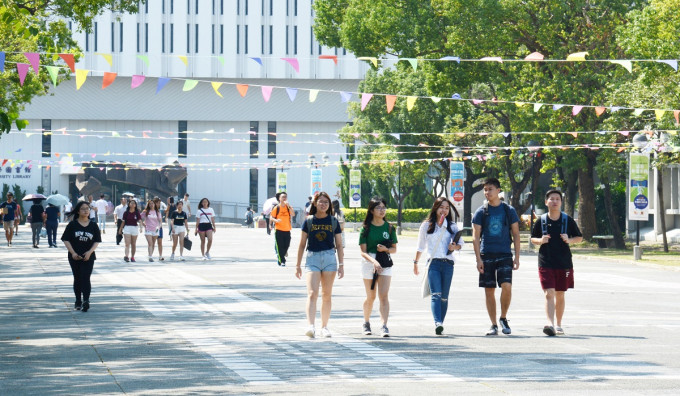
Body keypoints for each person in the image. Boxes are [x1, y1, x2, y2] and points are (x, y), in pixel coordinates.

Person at [472, 177, 521, 336]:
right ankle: (493, 324)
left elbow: (516, 233)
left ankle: (503, 317)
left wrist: (517, 257)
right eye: (485, 190)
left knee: (506, 286)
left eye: (490, 189)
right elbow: (475, 236)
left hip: (505, 254)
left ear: (498, 190)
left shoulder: (508, 210)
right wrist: (478, 259)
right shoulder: (481, 211)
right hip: (487, 255)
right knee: (489, 290)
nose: (487, 192)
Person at [530, 190, 583, 336]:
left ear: (561, 202)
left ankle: (559, 324)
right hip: (546, 261)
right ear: (546, 202)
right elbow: (533, 238)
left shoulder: (567, 220)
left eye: (557, 199)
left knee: (560, 293)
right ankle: (550, 323)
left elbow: (579, 237)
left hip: (564, 262)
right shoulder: (541, 221)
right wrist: (540, 240)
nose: (554, 201)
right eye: (551, 199)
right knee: (549, 293)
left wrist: (569, 239)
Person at [296, 192, 344, 338]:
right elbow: (302, 244)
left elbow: (339, 245)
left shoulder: (333, 221)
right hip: (312, 258)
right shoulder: (309, 221)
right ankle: (311, 326)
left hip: (330, 257)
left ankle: (324, 326)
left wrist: (341, 264)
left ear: (329, 205)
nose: (323, 204)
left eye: (326, 202)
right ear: (315, 204)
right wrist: (297, 265)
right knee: (312, 293)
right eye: (321, 202)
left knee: (327, 294)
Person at [413, 197, 464, 335]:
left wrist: (454, 246)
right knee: (436, 294)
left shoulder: (452, 226)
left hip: (448, 263)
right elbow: (420, 246)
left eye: (447, 208)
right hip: (433, 263)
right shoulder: (426, 225)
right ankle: (438, 323)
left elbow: (461, 244)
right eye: (441, 207)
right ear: (435, 208)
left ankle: (441, 322)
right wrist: (415, 262)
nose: (444, 210)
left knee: (444, 296)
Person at [359, 196, 398, 337]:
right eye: (378, 208)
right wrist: (373, 262)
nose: (382, 211)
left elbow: (394, 249)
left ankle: (384, 325)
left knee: (383, 295)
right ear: (371, 210)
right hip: (369, 262)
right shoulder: (365, 228)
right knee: (371, 296)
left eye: (383, 207)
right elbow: (362, 252)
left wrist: (385, 250)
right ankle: (366, 322)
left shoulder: (389, 227)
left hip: (385, 263)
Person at [61, 201, 101, 312]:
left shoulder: (93, 225)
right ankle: (78, 301)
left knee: (86, 277)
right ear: (78, 211)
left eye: (87, 209)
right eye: (83, 209)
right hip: (74, 256)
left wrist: (89, 252)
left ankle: (86, 300)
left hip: (88, 256)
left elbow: (97, 241)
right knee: (77, 278)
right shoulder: (72, 225)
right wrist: (73, 253)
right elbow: (66, 239)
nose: (86, 210)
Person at [270, 192, 295, 267]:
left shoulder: (288, 207)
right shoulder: (277, 207)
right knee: (280, 246)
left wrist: (289, 206)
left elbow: (293, 214)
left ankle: (282, 254)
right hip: (279, 229)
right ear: (279, 199)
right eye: (283, 197)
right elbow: (271, 217)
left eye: (285, 197)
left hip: (287, 229)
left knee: (286, 245)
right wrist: (275, 221)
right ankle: (282, 260)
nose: (284, 198)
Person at [153, 197, 166, 261]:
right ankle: (150, 255)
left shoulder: (159, 211)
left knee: (160, 242)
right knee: (152, 242)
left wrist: (160, 226)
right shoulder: (150, 211)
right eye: (157, 203)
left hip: (159, 228)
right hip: (152, 228)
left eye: (159, 203)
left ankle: (160, 255)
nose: (159, 204)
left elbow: (160, 220)